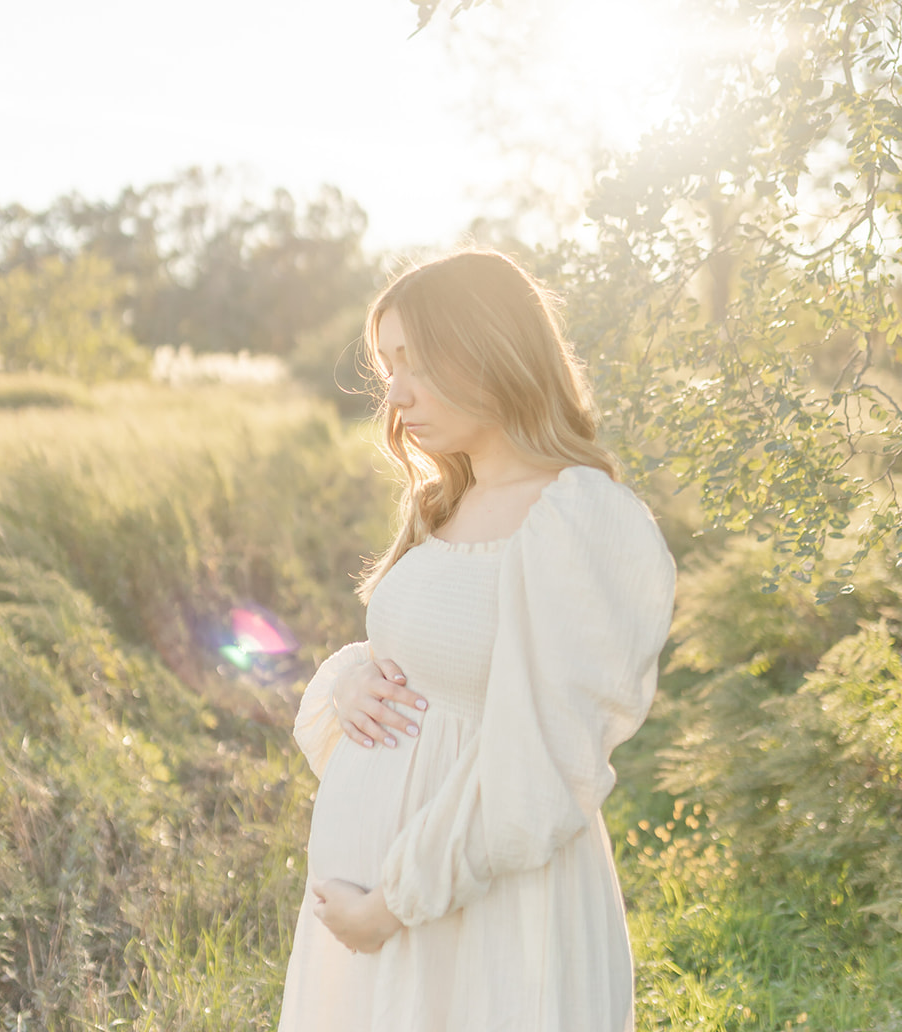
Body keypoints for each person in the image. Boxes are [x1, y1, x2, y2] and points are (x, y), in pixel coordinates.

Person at [277, 249, 676, 1032]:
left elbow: (543, 757)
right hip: (380, 925)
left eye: (413, 362)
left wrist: (390, 906)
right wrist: (349, 678)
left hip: (483, 915)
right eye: (387, 365)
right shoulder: (442, 502)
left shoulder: (576, 517)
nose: (393, 393)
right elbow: (431, 660)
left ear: (490, 351)